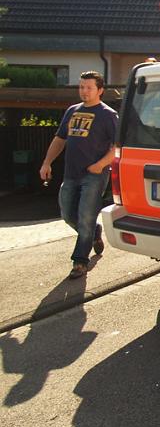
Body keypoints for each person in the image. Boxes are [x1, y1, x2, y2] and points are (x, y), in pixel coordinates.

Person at [39, 71, 118, 279]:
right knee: (67, 214)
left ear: (100, 90)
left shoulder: (108, 114)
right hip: (71, 174)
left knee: (85, 217)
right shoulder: (72, 111)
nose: (84, 91)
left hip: (94, 175)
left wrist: (100, 165)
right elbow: (59, 139)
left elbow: (118, 146)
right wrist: (47, 162)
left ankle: (80, 262)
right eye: (81, 87)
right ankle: (93, 232)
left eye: (89, 87)